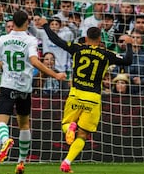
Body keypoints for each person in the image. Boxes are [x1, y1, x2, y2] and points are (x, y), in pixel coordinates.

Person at [41, 20, 133, 173]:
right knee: (83, 135)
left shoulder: (77, 48)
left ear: (86, 37)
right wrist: (129, 44)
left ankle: (70, 128)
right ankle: (67, 162)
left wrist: (45, 25)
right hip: (93, 98)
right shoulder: (106, 54)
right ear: (99, 39)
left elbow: (55, 40)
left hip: (75, 94)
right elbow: (128, 61)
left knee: (66, 123)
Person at [0, 11, 66, 174]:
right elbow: (34, 61)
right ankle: (21, 162)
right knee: (24, 124)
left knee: (1, 120)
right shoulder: (31, 40)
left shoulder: (3, 39)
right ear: (26, 23)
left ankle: (5, 140)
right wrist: (55, 74)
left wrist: (5, 64)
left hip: (8, 85)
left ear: (13, 22)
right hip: (24, 87)